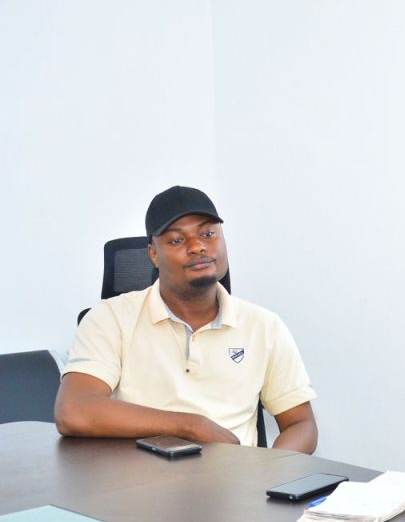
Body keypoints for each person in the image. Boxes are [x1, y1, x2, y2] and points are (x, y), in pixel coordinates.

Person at [54, 185, 318, 453]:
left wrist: (270, 471)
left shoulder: (264, 326)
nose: (197, 247)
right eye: (177, 240)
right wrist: (191, 426)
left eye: (208, 234)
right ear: (153, 254)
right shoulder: (110, 318)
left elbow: (301, 424)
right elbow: (73, 411)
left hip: (234, 475)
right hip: (141, 476)